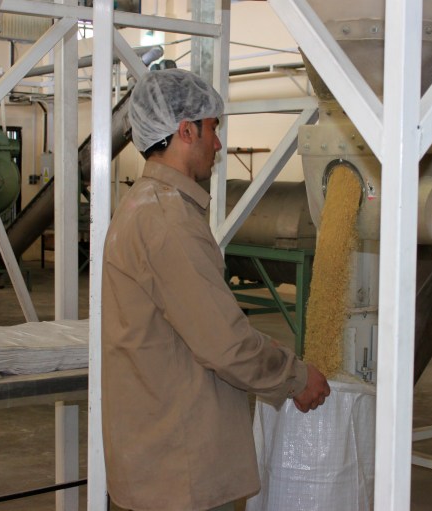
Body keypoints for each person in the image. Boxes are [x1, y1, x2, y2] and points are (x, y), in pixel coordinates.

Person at [101, 68, 331, 511]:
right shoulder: (167, 220)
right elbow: (225, 344)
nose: (219, 144)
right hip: (180, 471)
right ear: (186, 131)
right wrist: (296, 378)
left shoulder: (142, 206)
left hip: (157, 458)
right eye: (213, 128)